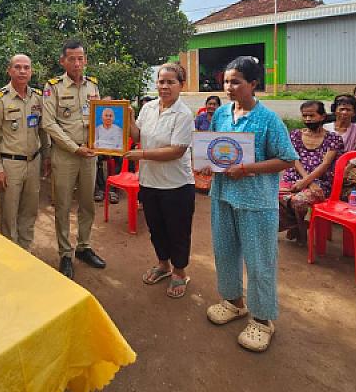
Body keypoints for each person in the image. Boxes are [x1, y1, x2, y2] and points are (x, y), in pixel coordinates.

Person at [199, 56, 297, 352]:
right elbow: (215, 148)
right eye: (226, 81)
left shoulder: (269, 120)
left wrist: (247, 169)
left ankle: (263, 319)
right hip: (222, 196)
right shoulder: (222, 114)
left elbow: (287, 158)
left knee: (259, 263)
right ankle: (234, 302)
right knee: (225, 253)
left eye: (236, 82)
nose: (229, 87)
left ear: (254, 84)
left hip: (256, 202)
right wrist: (207, 164)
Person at [125, 63, 195, 299]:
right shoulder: (149, 108)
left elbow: (176, 150)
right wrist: (129, 118)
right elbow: (137, 136)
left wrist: (141, 154)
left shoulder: (184, 114)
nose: (164, 86)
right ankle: (163, 265)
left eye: (170, 82)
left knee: (178, 230)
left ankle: (179, 271)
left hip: (177, 185)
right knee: (156, 228)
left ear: (181, 85)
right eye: (161, 81)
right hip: (149, 181)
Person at [42, 40, 105, 279]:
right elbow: (49, 124)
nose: (77, 63)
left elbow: (100, 118)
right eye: (72, 58)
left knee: (87, 203)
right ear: (63, 61)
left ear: (85, 60)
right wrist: (74, 147)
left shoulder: (93, 86)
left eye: (81, 58)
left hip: (89, 154)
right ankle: (65, 253)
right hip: (65, 156)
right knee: (63, 205)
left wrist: (104, 143)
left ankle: (84, 247)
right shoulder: (53, 87)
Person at [0, 54, 51, 250]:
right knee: (9, 213)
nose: (22, 71)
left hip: (34, 162)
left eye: (26, 67)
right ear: (9, 70)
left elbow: (43, 130)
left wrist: (46, 156)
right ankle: (9, 253)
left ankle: (25, 250)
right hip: (10, 164)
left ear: (31, 71)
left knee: (30, 211)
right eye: (18, 67)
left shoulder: (37, 98)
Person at [278, 101, 344, 245]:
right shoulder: (295, 135)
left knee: (299, 201)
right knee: (271, 195)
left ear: (322, 116)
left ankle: (301, 233)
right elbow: (293, 158)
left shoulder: (334, 138)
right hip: (293, 178)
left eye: (312, 115)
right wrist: (305, 181)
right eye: (305, 116)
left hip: (321, 181)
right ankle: (297, 225)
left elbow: (325, 164)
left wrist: (308, 182)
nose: (308, 119)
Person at [323, 94, 356, 190]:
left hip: (348, 165)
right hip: (325, 164)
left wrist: (346, 169)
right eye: (341, 109)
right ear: (335, 111)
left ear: (354, 113)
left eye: (348, 110)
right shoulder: (325, 128)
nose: (344, 112)